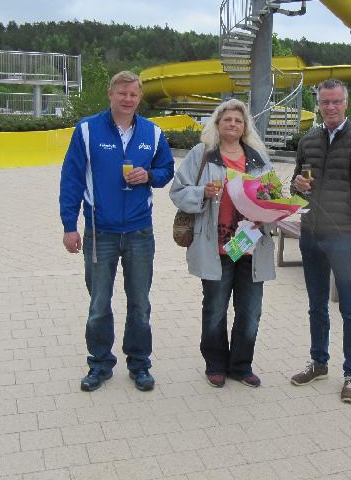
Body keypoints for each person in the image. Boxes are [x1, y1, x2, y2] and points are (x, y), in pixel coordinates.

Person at [59, 71, 174, 393]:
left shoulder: (152, 132)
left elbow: (167, 171)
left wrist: (149, 175)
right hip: (100, 232)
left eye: (133, 95)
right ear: (110, 94)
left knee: (140, 302)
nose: (127, 99)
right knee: (99, 303)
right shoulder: (86, 130)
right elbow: (71, 180)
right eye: (121, 93)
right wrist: (69, 226)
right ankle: (99, 364)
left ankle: (139, 364)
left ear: (140, 98)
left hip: (139, 232)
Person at [289, 78, 351, 403]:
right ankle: (319, 362)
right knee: (316, 305)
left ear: (346, 104)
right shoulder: (309, 140)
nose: (330, 107)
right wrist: (298, 185)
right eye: (325, 102)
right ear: (318, 104)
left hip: (346, 239)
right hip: (312, 235)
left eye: (336, 102)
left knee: (349, 307)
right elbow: (294, 186)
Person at [170, 99, 275, 389]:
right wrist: (202, 192)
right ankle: (215, 364)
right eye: (227, 119)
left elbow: (273, 195)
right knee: (215, 309)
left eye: (238, 121)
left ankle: (241, 366)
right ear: (217, 124)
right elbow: (177, 192)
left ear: (245, 127)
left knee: (250, 311)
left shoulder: (257, 158)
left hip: (250, 244)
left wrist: (267, 212)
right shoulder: (202, 155)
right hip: (216, 246)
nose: (232, 124)